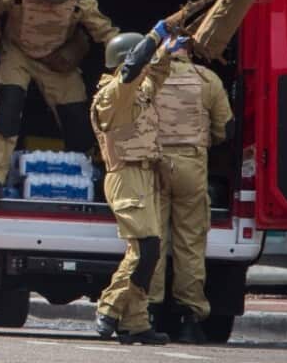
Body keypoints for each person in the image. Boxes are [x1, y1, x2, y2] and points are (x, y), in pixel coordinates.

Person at [0, 0, 119, 198]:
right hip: (17, 53)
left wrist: (125, 56)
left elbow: (104, 31)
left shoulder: (80, 1)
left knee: (77, 118)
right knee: (7, 112)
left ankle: (87, 175)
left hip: (55, 59)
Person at [90, 22, 183, 346]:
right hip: (125, 175)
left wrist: (165, 55)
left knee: (147, 253)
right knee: (146, 249)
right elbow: (133, 71)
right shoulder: (111, 95)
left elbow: (152, 78)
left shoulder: (136, 92)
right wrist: (155, 36)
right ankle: (109, 309)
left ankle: (135, 323)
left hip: (145, 176)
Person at [147, 50, 234, 344]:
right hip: (191, 167)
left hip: (152, 165)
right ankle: (188, 318)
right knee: (190, 244)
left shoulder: (148, 75)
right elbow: (225, 129)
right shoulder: (207, 78)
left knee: (152, 240)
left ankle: (148, 312)